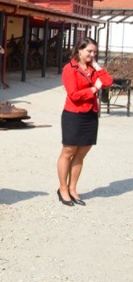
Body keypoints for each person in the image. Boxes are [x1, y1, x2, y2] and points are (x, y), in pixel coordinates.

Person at [57, 37, 112, 206]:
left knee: (81, 153)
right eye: (89, 51)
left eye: (95, 52)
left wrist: (97, 66)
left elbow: (108, 81)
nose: (92, 54)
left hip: (91, 114)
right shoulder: (69, 69)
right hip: (74, 114)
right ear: (79, 50)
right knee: (68, 151)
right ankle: (63, 189)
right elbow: (74, 95)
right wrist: (94, 88)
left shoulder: (93, 68)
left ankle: (73, 188)